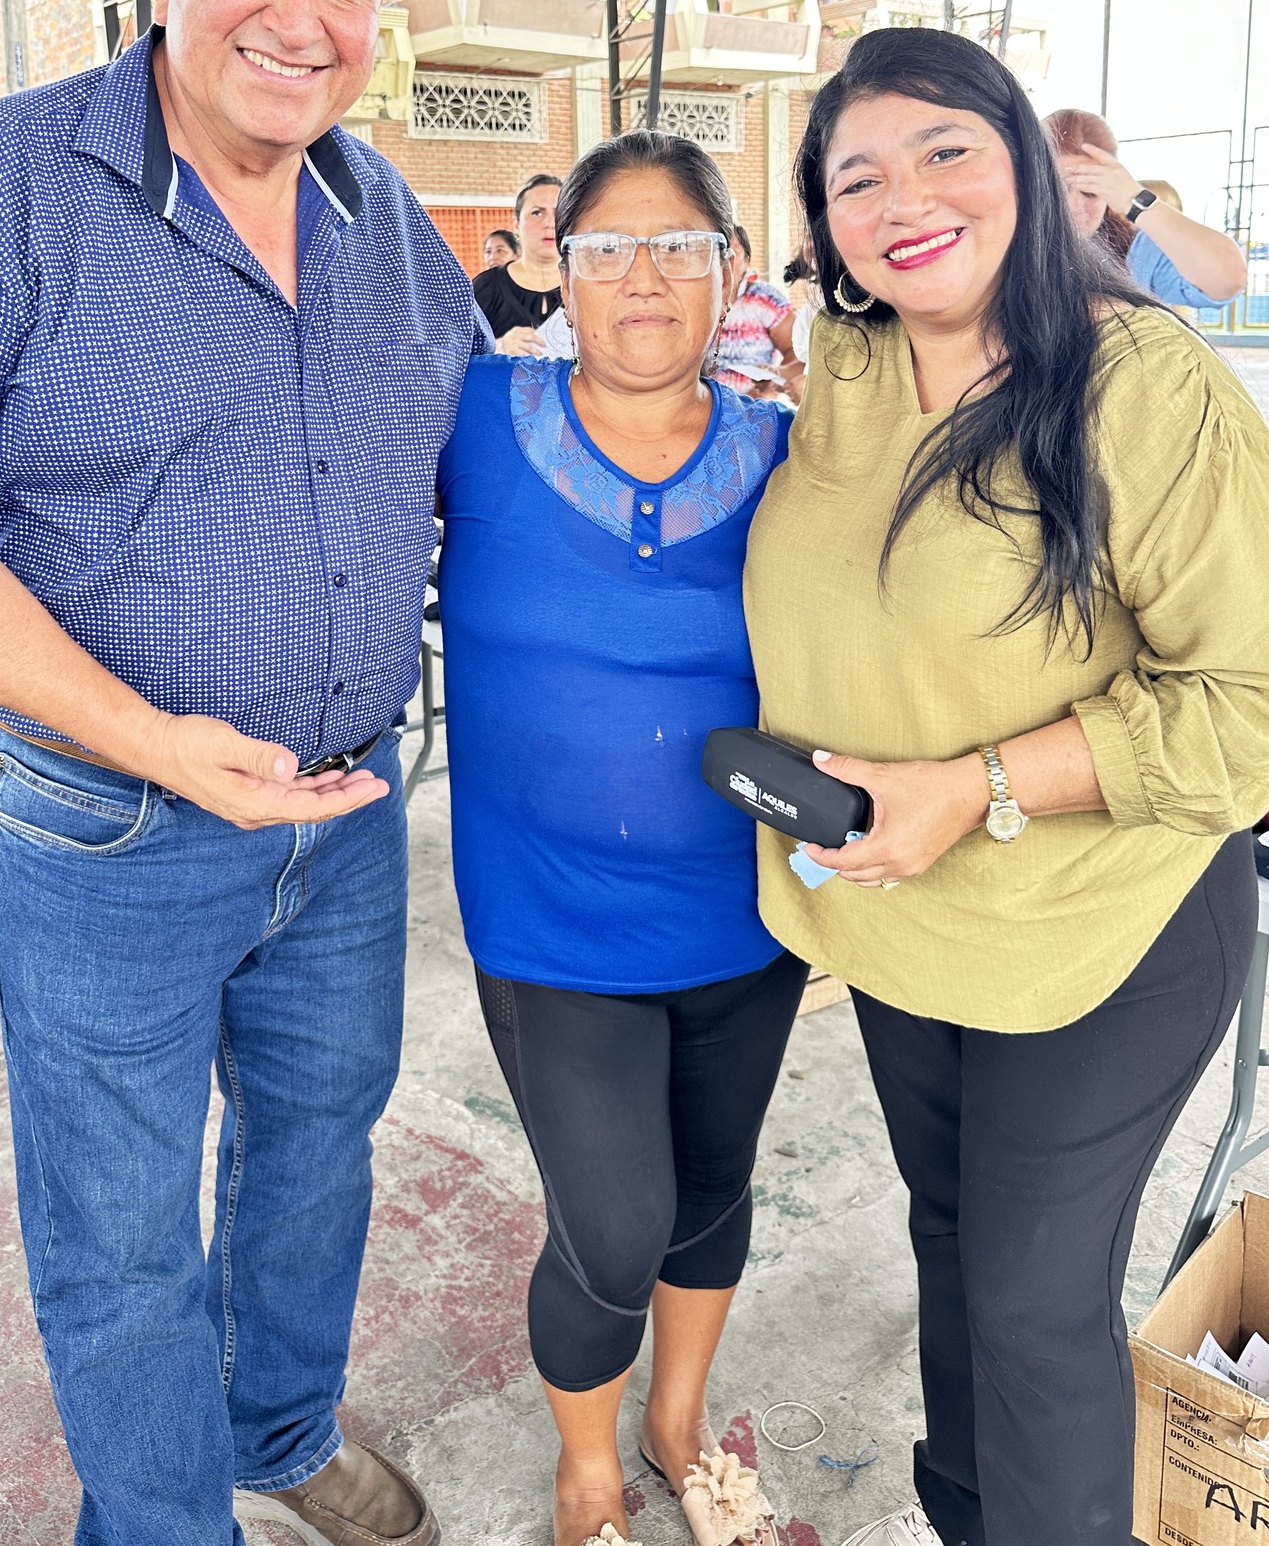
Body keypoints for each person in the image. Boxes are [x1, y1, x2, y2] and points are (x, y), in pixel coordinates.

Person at [0, 0, 479, 1546]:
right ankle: (165, 1522)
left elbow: (491, 464)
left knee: (316, 1153)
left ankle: (279, 1426)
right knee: (117, 1226)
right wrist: (154, 738)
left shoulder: (391, 226)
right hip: (110, 825)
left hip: (343, 817)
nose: (299, 15)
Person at [743, 28, 1269, 1546]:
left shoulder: (1144, 386)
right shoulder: (843, 368)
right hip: (905, 917)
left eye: (945, 149)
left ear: (1024, 160)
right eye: (857, 177)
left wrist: (979, 782)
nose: (905, 197)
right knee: (950, 1242)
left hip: (1103, 927)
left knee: (1031, 1299)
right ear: (823, 221)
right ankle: (970, 1512)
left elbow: (1260, 701)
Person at [437, 133, 802, 1546]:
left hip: (745, 910)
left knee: (712, 1184)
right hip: (551, 919)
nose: (642, 276)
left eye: (679, 247)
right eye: (605, 248)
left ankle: (675, 1419)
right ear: (558, 268)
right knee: (612, 1222)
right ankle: (587, 1462)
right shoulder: (474, 417)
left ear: (732, 270)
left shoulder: (789, 455)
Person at [1046, 106, 1247, 306]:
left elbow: (1228, 281)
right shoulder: (1026, 242)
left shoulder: (1138, 254)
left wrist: (1135, 199)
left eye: (1091, 191)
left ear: (1109, 196)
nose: (1073, 206)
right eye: (1057, 191)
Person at [472, 174, 562, 349]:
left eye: (559, 213)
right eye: (537, 213)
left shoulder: (588, 285)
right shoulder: (486, 287)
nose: (550, 223)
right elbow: (455, 353)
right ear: (516, 224)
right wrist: (499, 346)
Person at [715, 224, 803, 399]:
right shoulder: (693, 300)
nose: (724, 262)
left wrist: (770, 386)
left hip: (754, 405)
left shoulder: (765, 299)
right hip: (704, 406)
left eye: (731, 253)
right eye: (717, 253)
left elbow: (798, 351)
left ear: (747, 261)